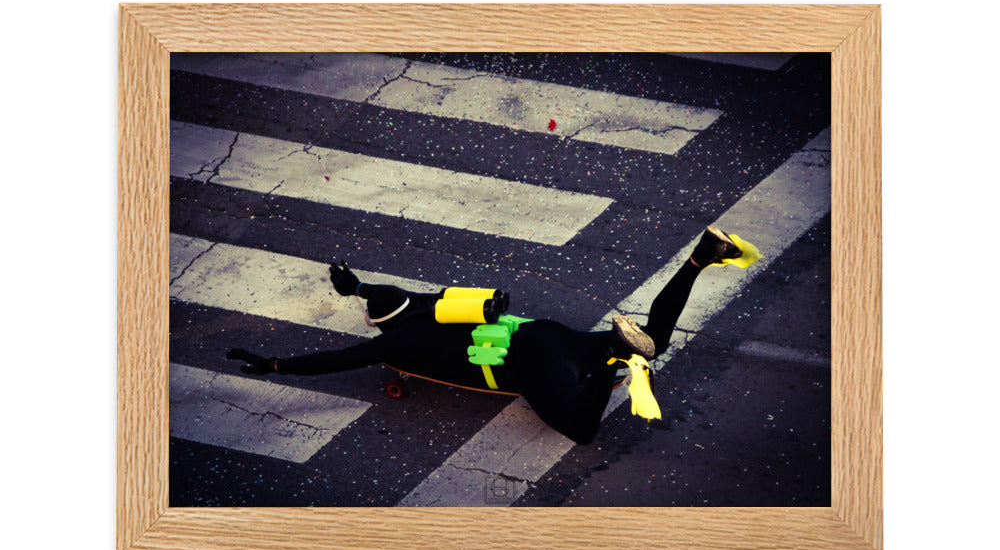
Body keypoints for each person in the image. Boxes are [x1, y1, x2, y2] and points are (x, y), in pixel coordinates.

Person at [227, 226, 754, 445]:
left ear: (380, 326)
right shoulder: (436, 303)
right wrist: (357, 285)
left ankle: (617, 357)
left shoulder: (393, 344)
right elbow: (383, 293)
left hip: (526, 368)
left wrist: (275, 365)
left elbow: (336, 360)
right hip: (547, 335)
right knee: (656, 339)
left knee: (582, 430)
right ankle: (700, 256)